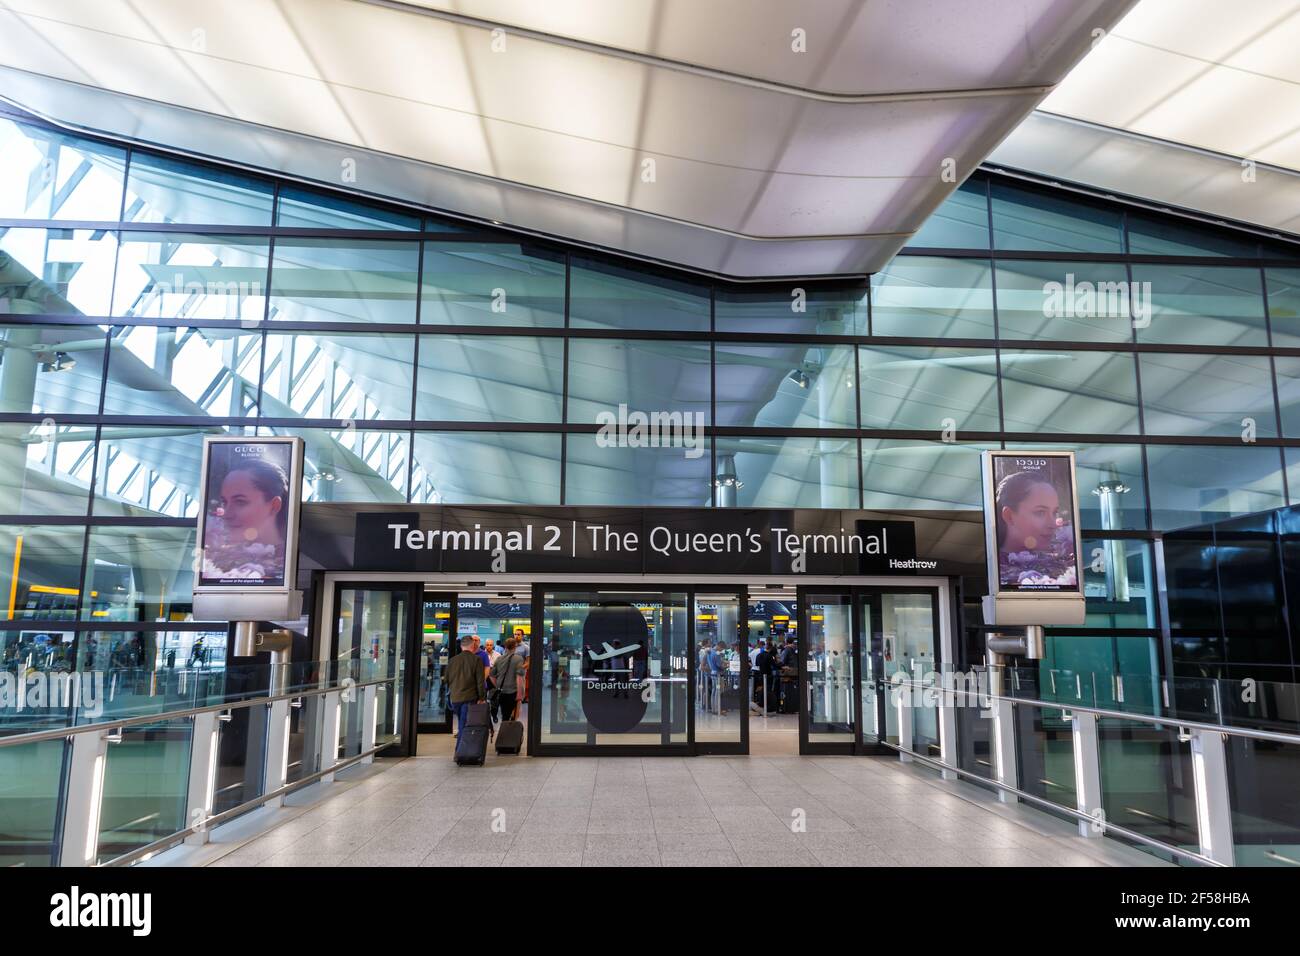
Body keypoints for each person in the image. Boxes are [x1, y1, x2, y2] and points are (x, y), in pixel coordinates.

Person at [204, 456, 289, 582]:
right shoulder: (217, 561)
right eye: (225, 502)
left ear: (274, 506)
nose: (227, 514)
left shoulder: (285, 566)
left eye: (240, 502)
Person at [447, 635, 485, 735]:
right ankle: (460, 749)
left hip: (455, 698)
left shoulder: (452, 661)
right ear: (472, 646)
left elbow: (446, 679)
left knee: (461, 722)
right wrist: (482, 697)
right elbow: (480, 681)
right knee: (464, 725)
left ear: (461, 646)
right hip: (470, 698)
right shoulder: (477, 660)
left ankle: (462, 746)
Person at [489, 636, 527, 723]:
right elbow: (519, 678)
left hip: (501, 691)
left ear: (505, 647)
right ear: (515, 646)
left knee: (504, 714)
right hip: (512, 691)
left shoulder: (499, 658)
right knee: (513, 715)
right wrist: (520, 694)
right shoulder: (519, 659)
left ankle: (505, 730)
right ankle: (508, 733)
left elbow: (491, 675)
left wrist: (498, 685)